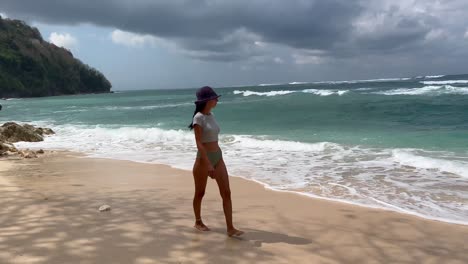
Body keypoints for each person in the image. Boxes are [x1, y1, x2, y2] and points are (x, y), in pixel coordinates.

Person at [188, 86, 244, 237]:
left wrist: (216, 159)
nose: (217, 99)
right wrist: (207, 163)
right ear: (207, 100)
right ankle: (198, 221)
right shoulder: (198, 118)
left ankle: (230, 228)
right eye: (215, 98)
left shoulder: (211, 115)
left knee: (226, 192)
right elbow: (199, 143)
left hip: (218, 157)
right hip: (203, 160)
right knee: (200, 193)